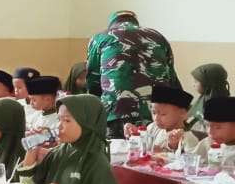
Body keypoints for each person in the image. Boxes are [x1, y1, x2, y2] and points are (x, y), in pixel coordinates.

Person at [16, 95, 120, 184]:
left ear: (87, 124)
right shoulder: (58, 152)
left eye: (67, 120)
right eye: (59, 119)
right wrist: (31, 151)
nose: (59, 126)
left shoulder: (96, 160)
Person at [86, 10, 180, 138]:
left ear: (112, 23)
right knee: (152, 152)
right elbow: (171, 77)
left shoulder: (101, 38)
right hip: (155, 111)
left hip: (116, 110)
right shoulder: (158, 37)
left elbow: (93, 80)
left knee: (117, 152)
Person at [123, 86, 198, 154]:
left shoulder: (188, 138)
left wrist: (172, 147)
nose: (156, 118)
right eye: (154, 112)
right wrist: (135, 133)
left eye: (163, 114)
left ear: (183, 114)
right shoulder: (153, 127)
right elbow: (144, 144)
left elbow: (190, 163)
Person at [187, 63, 229, 137]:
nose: (193, 85)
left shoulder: (217, 105)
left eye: (196, 82)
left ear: (207, 83)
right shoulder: (205, 96)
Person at [191, 96, 235, 164]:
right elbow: (189, 160)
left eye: (218, 127)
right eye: (207, 125)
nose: (210, 132)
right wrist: (174, 145)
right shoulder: (207, 143)